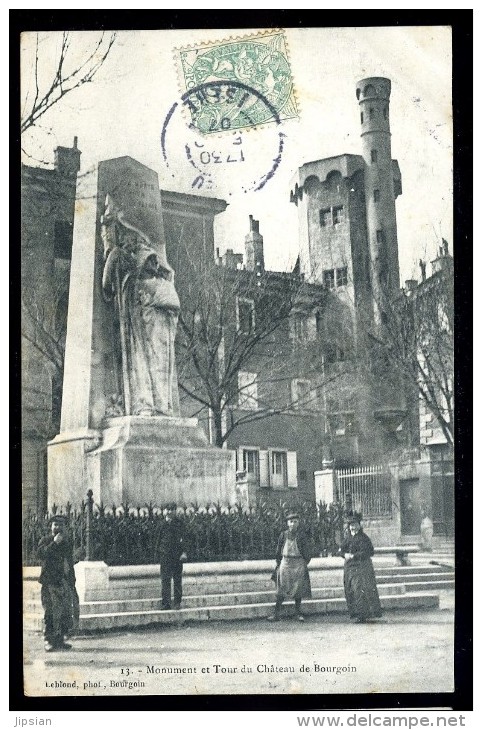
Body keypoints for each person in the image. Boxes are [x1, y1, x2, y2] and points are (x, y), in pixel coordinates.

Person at [101, 195, 181, 417]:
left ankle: (155, 405)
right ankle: (149, 405)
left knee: (153, 368)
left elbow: (172, 303)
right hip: (142, 333)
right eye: (149, 262)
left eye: (153, 262)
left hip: (153, 335)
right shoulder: (136, 285)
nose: (153, 265)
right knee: (146, 368)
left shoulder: (156, 286)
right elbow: (108, 284)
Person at [37, 515, 76, 652]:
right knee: (50, 611)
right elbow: (40, 555)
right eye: (55, 525)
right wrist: (54, 543)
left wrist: (72, 580)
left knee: (64, 611)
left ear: (65, 527)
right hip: (49, 582)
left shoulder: (67, 542)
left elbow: (69, 562)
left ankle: (59, 640)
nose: (58, 528)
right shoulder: (45, 540)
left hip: (62, 581)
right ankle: (49, 640)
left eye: (61, 525)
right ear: (51, 527)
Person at [268, 511, 312, 622]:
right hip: (286, 564)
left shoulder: (302, 536)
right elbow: (278, 551)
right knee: (281, 589)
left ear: (298, 523)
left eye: (295, 522)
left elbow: (307, 553)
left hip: (298, 565)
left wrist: (302, 564)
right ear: (287, 523)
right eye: (291, 522)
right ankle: (276, 614)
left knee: (298, 590)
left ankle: (297, 613)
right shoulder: (283, 535)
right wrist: (280, 563)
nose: (293, 524)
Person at [340, 513, 382, 623]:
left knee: (360, 589)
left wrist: (354, 556)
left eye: (355, 525)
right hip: (349, 568)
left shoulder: (364, 538)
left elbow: (369, 552)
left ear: (359, 525)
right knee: (351, 590)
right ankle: (356, 614)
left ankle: (364, 614)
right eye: (351, 525)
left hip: (362, 567)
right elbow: (341, 550)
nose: (353, 527)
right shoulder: (347, 538)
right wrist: (344, 555)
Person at [156, 503, 188, 610]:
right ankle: (166, 603)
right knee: (165, 580)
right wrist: (158, 553)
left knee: (177, 579)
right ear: (164, 511)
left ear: (175, 511)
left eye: (172, 509)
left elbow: (185, 538)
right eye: (167, 509)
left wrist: (184, 552)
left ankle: (177, 603)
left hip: (177, 555)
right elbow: (157, 540)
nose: (169, 512)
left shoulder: (180, 523)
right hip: (165, 555)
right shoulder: (161, 524)